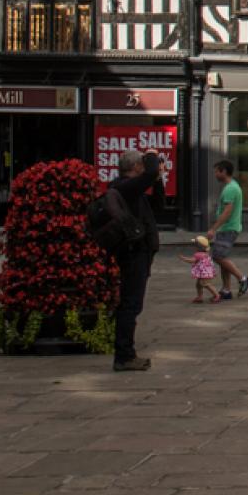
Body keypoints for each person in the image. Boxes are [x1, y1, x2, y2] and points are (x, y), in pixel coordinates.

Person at [109, 150, 162, 371]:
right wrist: (152, 155)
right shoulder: (123, 187)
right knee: (130, 304)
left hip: (141, 253)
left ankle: (126, 353)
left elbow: (158, 207)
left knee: (133, 304)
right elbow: (149, 173)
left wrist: (158, 181)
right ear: (135, 167)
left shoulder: (132, 191)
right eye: (142, 164)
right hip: (133, 254)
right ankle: (124, 355)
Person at [206, 159, 248, 299]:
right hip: (229, 228)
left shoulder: (231, 189)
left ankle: (242, 278)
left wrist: (213, 229)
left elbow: (227, 211)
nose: (215, 174)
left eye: (216, 171)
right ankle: (226, 290)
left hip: (228, 228)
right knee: (222, 256)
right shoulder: (232, 186)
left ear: (223, 171)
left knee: (218, 256)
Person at [181, 235, 221, 303]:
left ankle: (217, 295)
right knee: (199, 284)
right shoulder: (206, 253)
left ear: (198, 247)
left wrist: (184, 259)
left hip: (204, 273)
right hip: (206, 272)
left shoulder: (198, 254)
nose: (194, 246)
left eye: (195, 245)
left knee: (205, 284)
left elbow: (192, 260)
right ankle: (199, 297)